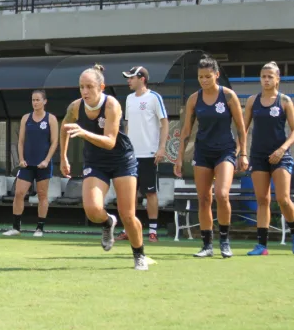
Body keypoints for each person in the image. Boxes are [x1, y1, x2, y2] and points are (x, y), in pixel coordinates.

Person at [60, 64, 150, 271]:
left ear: (101, 87)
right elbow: (65, 128)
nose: (85, 92)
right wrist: (64, 156)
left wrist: (83, 133)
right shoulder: (75, 107)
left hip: (121, 160)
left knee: (128, 215)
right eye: (82, 87)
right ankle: (108, 222)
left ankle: (139, 254)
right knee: (92, 210)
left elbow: (110, 141)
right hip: (95, 161)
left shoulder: (112, 106)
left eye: (90, 87)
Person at [174, 56, 247, 258]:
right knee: (204, 198)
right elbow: (186, 131)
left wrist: (243, 153)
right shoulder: (194, 99)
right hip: (203, 152)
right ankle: (207, 245)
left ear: (216, 75)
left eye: (208, 76)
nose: (204, 80)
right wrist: (179, 158)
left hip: (225, 151)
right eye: (200, 77)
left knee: (222, 195)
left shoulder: (229, 96)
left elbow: (241, 129)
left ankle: (225, 241)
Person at [242, 61, 294, 255]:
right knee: (262, 200)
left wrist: (281, 150)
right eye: (263, 76)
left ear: (277, 79)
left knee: (283, 199)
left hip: (280, 157)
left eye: (270, 76)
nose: (266, 80)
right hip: (258, 156)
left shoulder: (285, 101)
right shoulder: (252, 101)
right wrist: (243, 153)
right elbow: (243, 130)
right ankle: (262, 246)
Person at [117, 66, 169, 243]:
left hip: (149, 154)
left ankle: (153, 231)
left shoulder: (154, 98)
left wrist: (161, 147)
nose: (128, 81)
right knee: (129, 194)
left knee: (150, 193)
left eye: (131, 77)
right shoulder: (129, 99)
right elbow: (128, 125)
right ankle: (128, 229)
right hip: (131, 156)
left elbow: (164, 123)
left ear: (142, 78)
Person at [3, 90, 58, 237]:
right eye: (33, 100)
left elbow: (54, 143)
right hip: (27, 164)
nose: (35, 102)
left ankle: (39, 228)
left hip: (43, 165)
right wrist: (21, 159)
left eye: (38, 100)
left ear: (44, 101)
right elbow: (20, 141)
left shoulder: (51, 119)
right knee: (19, 193)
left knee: (42, 195)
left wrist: (46, 160)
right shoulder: (26, 118)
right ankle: (16, 228)